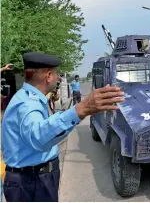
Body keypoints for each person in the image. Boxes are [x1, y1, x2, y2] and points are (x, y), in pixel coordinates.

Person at [1, 52, 124, 202]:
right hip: (31, 182)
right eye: (55, 73)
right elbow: (38, 137)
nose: (58, 78)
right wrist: (79, 110)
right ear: (48, 76)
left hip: (33, 178)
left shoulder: (29, 97)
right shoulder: (27, 104)